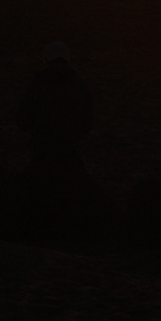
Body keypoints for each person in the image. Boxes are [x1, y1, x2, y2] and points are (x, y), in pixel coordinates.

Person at [17, 42, 99, 237]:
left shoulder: (34, 86)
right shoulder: (80, 86)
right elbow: (88, 123)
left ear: (46, 60)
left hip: (41, 150)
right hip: (70, 150)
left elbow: (22, 121)